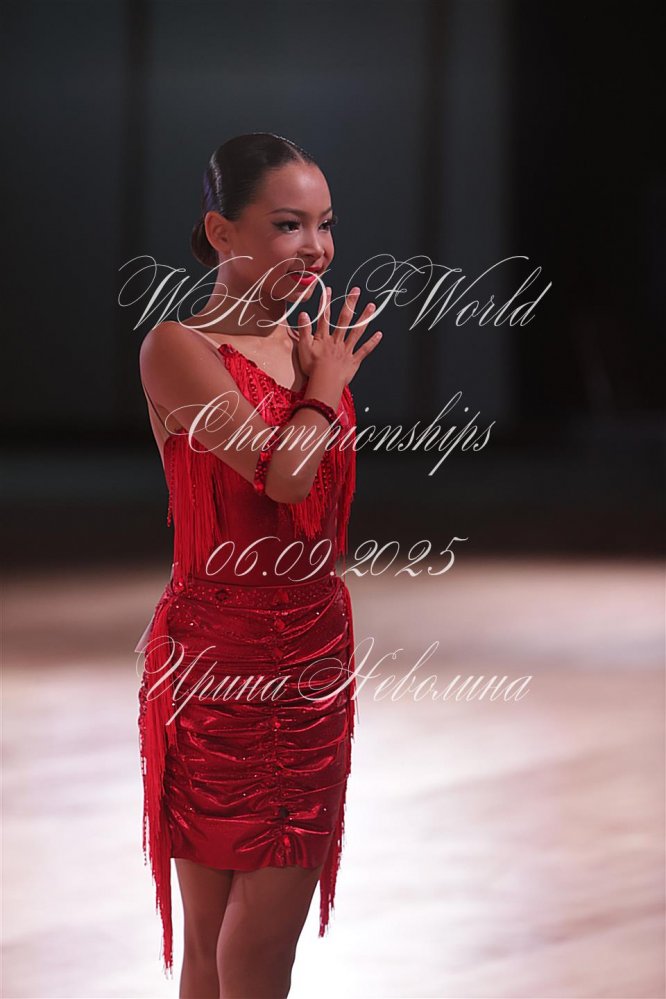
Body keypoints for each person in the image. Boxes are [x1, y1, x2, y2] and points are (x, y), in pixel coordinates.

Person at [135, 132, 383, 998]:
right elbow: (282, 476)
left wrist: (320, 379)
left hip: (307, 648)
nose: (316, 247)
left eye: (325, 224)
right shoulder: (178, 347)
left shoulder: (307, 346)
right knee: (222, 948)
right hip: (215, 659)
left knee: (246, 945)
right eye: (288, 224)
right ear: (221, 231)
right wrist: (324, 388)